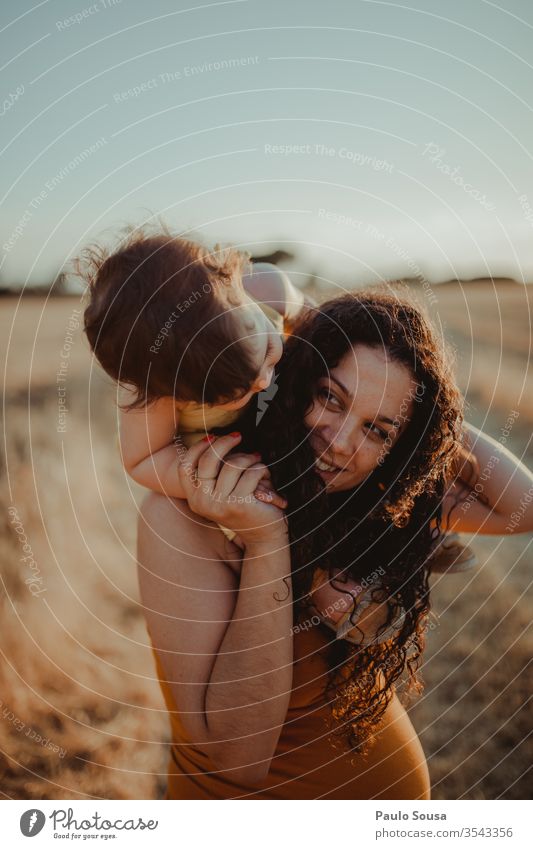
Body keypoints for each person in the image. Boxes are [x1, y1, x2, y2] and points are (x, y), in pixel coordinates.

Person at [137, 287, 533, 799]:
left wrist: (432, 421)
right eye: (330, 397)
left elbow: (523, 506)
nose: (343, 443)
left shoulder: (369, 502)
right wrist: (265, 543)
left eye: (378, 430)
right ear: (294, 380)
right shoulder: (186, 517)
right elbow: (237, 760)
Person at [81, 227, 307, 513]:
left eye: (264, 352)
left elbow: (321, 328)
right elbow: (143, 460)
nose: (263, 381)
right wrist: (209, 481)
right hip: (227, 458)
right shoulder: (153, 391)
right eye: (227, 395)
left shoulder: (267, 287)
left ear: (232, 277)